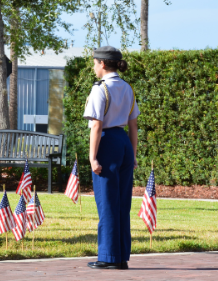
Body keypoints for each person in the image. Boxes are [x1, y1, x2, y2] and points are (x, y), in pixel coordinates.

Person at [83, 46, 140, 270]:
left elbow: (96, 125)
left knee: (107, 202)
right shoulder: (127, 88)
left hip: (107, 142)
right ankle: (121, 256)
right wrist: (133, 155)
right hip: (124, 142)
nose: (94, 67)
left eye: (95, 63)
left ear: (103, 64)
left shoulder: (100, 89)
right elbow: (133, 124)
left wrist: (92, 157)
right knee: (122, 203)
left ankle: (107, 256)